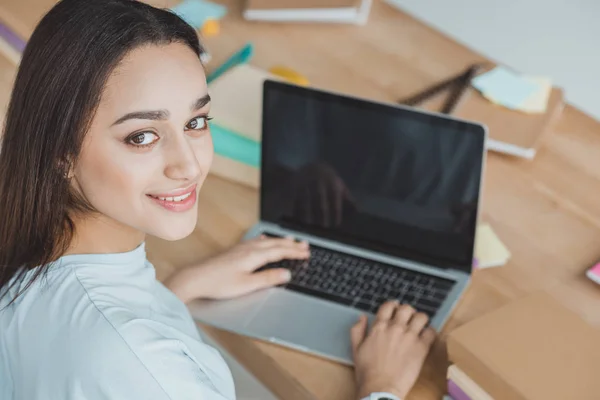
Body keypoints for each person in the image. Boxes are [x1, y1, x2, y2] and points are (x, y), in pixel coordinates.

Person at [0, 1, 436, 399]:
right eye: (142, 136)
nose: (187, 165)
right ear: (61, 153)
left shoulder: (25, 247)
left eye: (196, 121)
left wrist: (176, 292)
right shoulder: (148, 370)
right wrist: (383, 388)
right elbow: (127, 361)